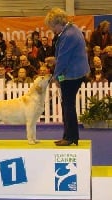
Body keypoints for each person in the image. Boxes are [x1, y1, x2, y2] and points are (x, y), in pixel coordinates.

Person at [45, 7, 90, 146]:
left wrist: (55, 77)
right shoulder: (72, 29)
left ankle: (70, 138)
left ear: (58, 23)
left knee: (68, 105)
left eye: (52, 26)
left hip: (72, 74)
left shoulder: (68, 35)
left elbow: (64, 60)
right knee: (67, 104)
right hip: (75, 71)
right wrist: (55, 60)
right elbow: (66, 56)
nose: (52, 30)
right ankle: (69, 136)